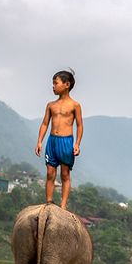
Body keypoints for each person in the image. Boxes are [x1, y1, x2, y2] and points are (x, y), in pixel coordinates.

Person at [35, 70, 83, 209]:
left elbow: (79, 126)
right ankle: (49, 202)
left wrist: (77, 144)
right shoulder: (51, 105)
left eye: (56, 83)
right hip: (52, 141)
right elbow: (45, 123)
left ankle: (63, 205)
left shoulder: (75, 105)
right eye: (53, 83)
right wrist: (39, 141)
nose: (53, 86)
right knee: (50, 172)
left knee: (64, 174)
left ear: (66, 84)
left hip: (66, 142)